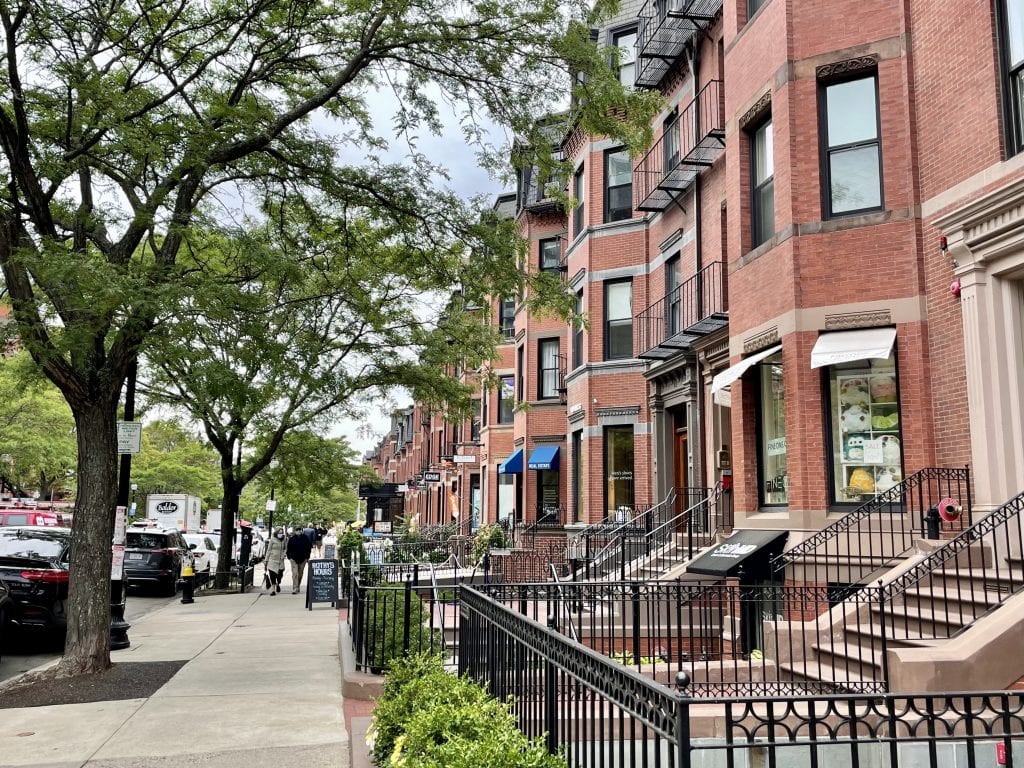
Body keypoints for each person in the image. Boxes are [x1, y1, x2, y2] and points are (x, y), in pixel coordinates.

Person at [286, 524, 313, 594]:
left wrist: (307, 557)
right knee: (295, 573)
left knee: (300, 574)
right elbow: (288, 548)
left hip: (303, 558)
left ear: (301, 531)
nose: (298, 531)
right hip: (293, 559)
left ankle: (298, 585)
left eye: (299, 530)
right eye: (297, 530)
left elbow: (308, 548)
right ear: (295, 531)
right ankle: (295, 587)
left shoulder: (305, 538)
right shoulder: (292, 539)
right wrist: (289, 557)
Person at [264, 527, 287, 595]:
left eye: (282, 533)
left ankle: (278, 583)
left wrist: (284, 554)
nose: (281, 534)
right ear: (276, 532)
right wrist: (266, 560)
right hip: (272, 559)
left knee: (280, 574)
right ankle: (273, 590)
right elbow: (269, 550)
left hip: (280, 560)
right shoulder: (272, 539)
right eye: (279, 532)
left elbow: (285, 548)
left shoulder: (284, 539)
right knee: (272, 574)